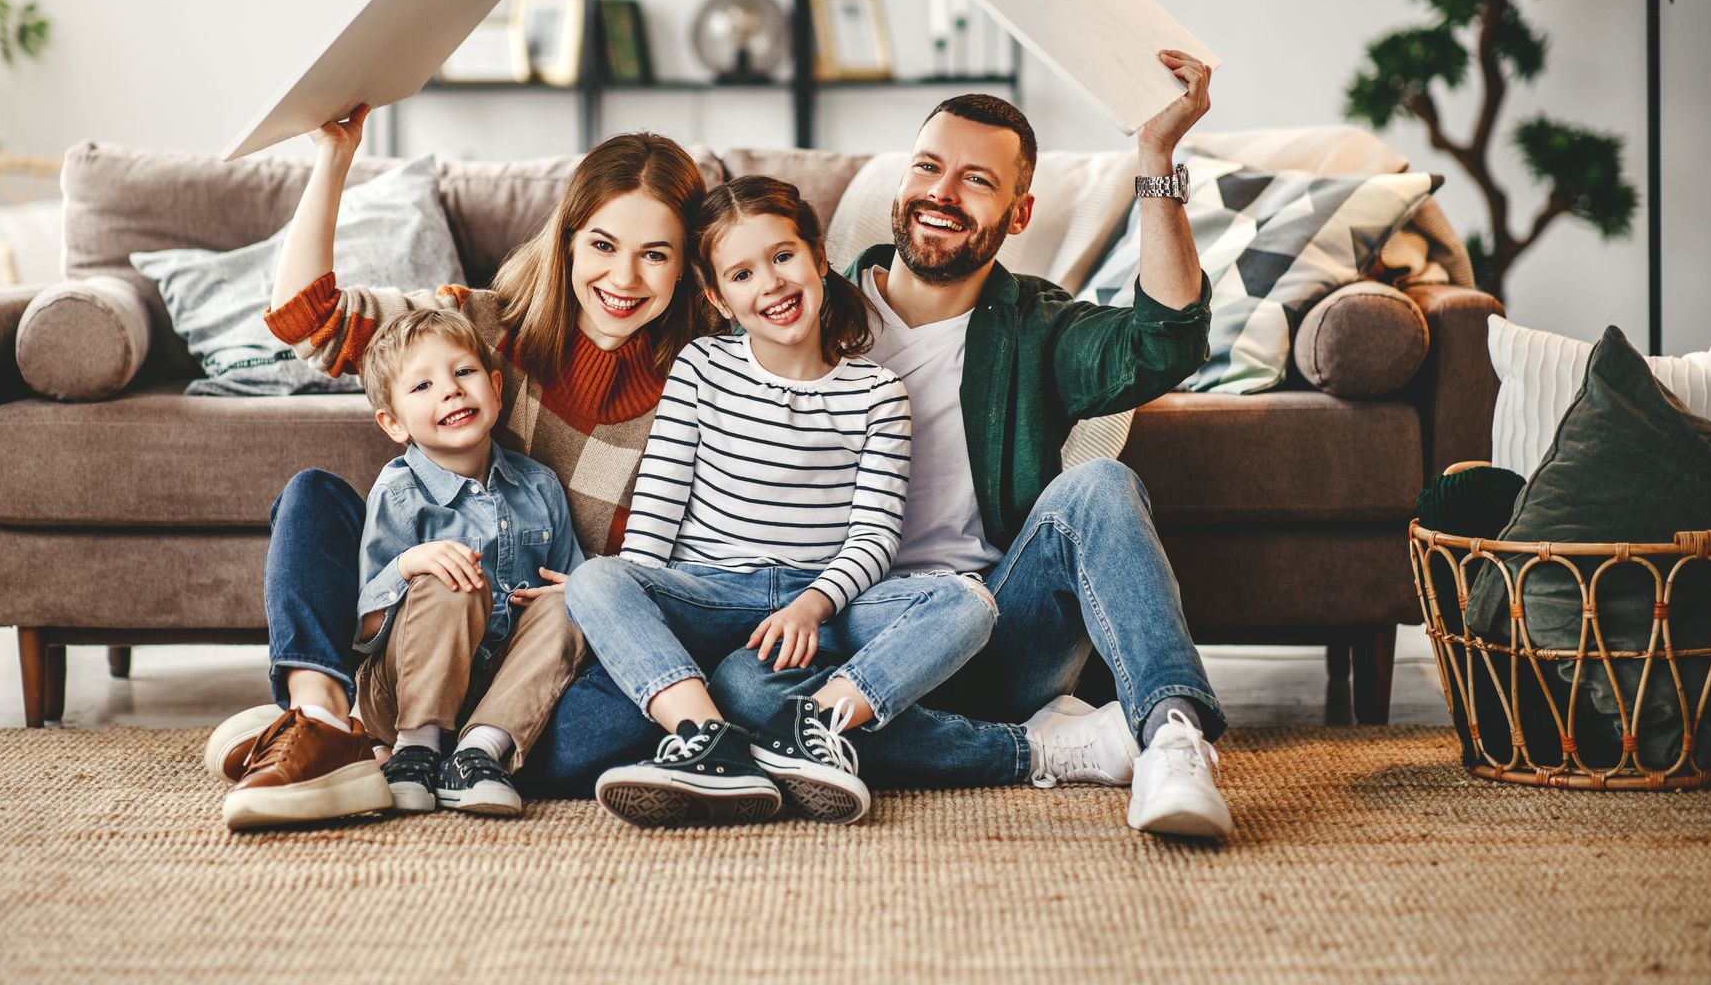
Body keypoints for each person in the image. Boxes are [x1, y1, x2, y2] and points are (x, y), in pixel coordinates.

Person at [709, 52, 1239, 839]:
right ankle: (1042, 748)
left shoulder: (1037, 326)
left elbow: (1165, 344)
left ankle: (1168, 736)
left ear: (1018, 215)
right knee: (746, 693)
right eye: (928, 167)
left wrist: (1156, 160)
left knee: (1098, 487)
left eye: (977, 182)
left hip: (995, 634)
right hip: (849, 633)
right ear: (900, 184)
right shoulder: (801, 312)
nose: (941, 194)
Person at [210, 110, 716, 827]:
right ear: (568, 240)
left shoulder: (703, 384)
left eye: (656, 254)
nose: (623, 278)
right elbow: (306, 322)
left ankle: (440, 749)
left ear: (687, 262)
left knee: (618, 731)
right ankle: (319, 721)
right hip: (421, 639)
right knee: (314, 498)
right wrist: (334, 156)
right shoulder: (479, 329)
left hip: (547, 654)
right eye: (602, 244)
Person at [564, 175, 997, 828]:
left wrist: (810, 606)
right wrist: (637, 607)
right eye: (741, 274)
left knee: (965, 602)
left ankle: (816, 723)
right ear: (717, 296)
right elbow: (656, 512)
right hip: (708, 593)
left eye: (783, 257)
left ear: (819, 256)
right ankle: (711, 741)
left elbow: (875, 538)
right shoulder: (702, 367)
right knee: (595, 581)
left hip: (819, 610)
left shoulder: (878, 393)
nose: (769, 283)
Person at [349, 309, 585, 819]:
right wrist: (411, 563)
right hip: (403, 689)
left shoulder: (540, 486)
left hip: (500, 687)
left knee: (576, 599)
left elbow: (572, 575)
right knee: (453, 574)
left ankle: (478, 754)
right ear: (393, 423)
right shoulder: (399, 492)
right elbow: (365, 624)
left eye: (463, 373)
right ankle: (414, 751)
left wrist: (565, 595)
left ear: (496, 390)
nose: (451, 391)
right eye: (423, 386)